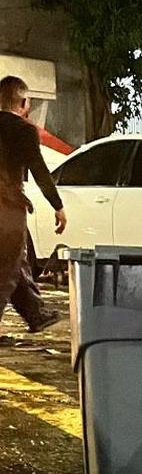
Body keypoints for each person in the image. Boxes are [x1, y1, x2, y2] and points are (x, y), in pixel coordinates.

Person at [0, 75, 65, 334]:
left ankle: (36, 314)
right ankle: (36, 313)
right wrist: (57, 205)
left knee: (17, 261)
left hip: (9, 207)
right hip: (8, 207)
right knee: (7, 268)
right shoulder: (24, 130)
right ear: (24, 102)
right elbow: (38, 169)